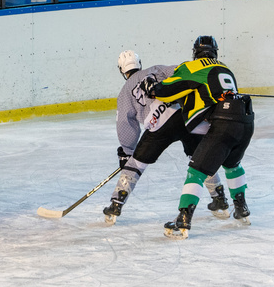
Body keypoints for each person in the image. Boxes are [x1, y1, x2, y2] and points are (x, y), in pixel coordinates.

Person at [141, 36, 254, 239]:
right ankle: (241, 209)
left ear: (195, 53)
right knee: (232, 165)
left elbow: (167, 92)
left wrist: (151, 87)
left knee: (196, 172)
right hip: (245, 121)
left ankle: (183, 221)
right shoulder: (225, 68)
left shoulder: (192, 67)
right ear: (215, 52)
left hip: (223, 122)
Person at [104, 50, 229, 224]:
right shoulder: (157, 69)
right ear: (139, 63)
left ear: (121, 70)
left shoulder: (125, 93)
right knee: (200, 159)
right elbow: (186, 73)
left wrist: (127, 151)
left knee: (136, 164)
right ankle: (219, 199)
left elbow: (125, 124)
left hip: (158, 123)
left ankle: (116, 203)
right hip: (185, 117)